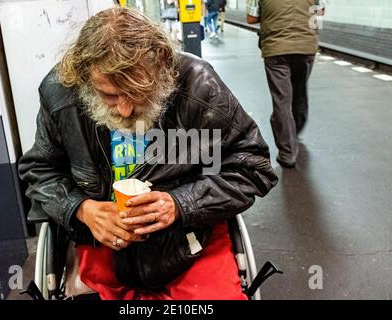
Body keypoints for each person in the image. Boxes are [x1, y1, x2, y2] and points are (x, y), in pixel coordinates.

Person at [19, 7, 277, 300]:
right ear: (83, 79)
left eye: (138, 92)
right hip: (100, 241)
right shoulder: (60, 94)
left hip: (190, 239)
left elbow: (252, 167)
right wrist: (82, 209)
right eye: (110, 96)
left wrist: (180, 204)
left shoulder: (199, 86)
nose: (125, 111)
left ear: (163, 67)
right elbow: (39, 170)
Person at [247, 0, 325, 168]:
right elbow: (320, 11)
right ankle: (294, 131)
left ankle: (287, 153)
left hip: (276, 48)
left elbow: (251, 19)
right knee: (299, 91)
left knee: (282, 99)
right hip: (306, 46)